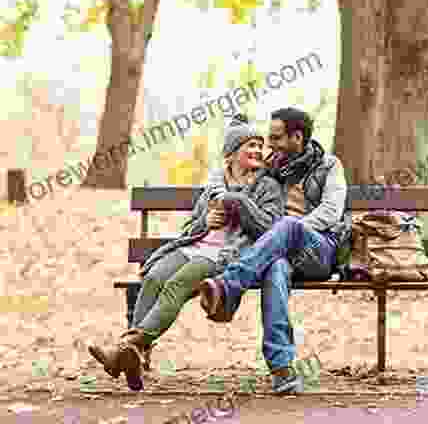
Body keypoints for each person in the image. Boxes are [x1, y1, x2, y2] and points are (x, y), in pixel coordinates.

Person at [87, 115, 285, 391]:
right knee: (155, 277)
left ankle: (126, 348)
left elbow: (271, 230)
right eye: (249, 145)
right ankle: (132, 355)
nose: (256, 151)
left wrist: (240, 206)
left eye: (258, 145)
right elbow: (192, 226)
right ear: (232, 153)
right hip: (196, 247)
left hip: (227, 256)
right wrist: (206, 222)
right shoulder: (215, 185)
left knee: (177, 284)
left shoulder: (268, 186)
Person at [198, 107, 350, 394]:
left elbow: (331, 212)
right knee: (275, 268)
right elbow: (228, 174)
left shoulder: (330, 166)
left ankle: (228, 286)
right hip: (276, 251)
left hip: (319, 249)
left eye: (277, 137)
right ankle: (282, 369)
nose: (270, 144)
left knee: (289, 226)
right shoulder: (271, 167)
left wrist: (289, 231)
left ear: (297, 137)